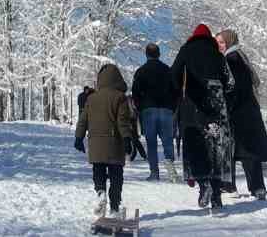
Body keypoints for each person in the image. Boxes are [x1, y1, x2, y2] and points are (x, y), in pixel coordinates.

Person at [169, 23, 234, 214]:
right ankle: (216, 196)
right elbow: (230, 82)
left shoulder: (186, 50)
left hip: (193, 100)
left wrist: (179, 93)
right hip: (216, 101)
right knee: (216, 146)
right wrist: (221, 93)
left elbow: (173, 75)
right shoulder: (218, 55)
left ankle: (203, 183)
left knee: (194, 143)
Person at [74, 62, 140, 220]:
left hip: (95, 144)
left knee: (98, 171)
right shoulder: (120, 97)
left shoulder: (91, 98)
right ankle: (115, 208)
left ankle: (100, 192)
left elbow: (83, 120)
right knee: (116, 175)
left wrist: (78, 137)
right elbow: (122, 121)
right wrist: (126, 139)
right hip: (114, 143)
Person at [217, 28, 267, 200]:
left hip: (239, 111)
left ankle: (233, 186)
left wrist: (227, 106)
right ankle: (256, 187)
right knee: (247, 150)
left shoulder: (231, 59)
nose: (218, 46)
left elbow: (235, 87)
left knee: (236, 148)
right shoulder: (240, 56)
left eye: (221, 42)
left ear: (228, 42)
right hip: (248, 109)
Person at [130, 42, 178, 181]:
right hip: (166, 109)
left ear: (146, 54)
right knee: (168, 141)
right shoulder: (168, 70)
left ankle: (154, 172)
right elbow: (175, 90)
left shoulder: (141, 71)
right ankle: (171, 171)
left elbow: (135, 93)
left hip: (148, 110)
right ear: (159, 54)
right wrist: (173, 107)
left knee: (151, 143)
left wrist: (139, 108)